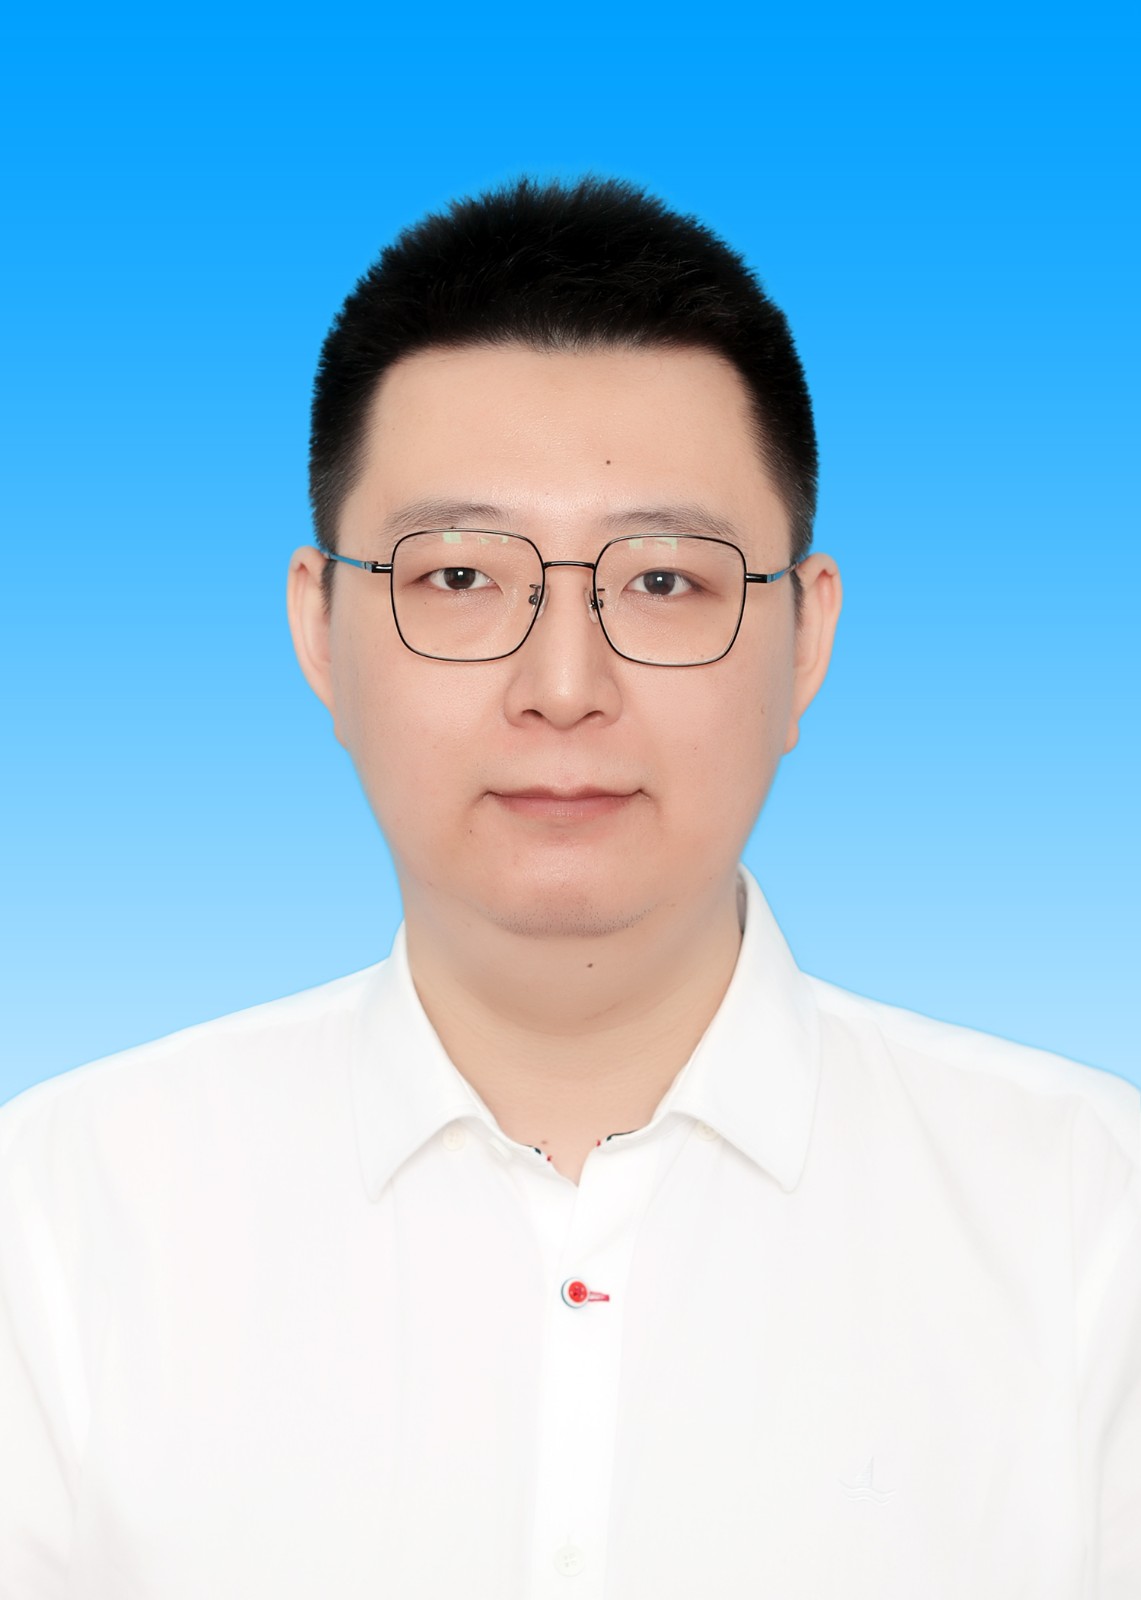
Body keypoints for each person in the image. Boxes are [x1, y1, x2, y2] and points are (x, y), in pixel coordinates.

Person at [1, 176, 1137, 1600]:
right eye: (458, 577)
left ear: (803, 641)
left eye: (661, 583)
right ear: (320, 628)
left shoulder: (1092, 1225)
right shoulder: (59, 1222)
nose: (560, 686)